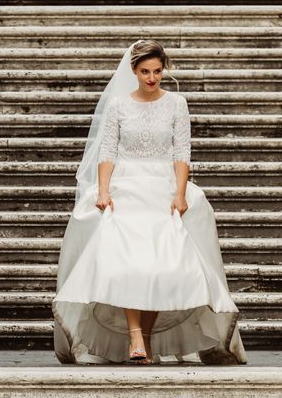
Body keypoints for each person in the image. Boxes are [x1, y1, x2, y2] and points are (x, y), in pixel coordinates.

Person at [52, 39, 247, 365]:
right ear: (134, 71)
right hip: (126, 188)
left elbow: (182, 151)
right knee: (130, 263)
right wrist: (103, 191)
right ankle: (136, 338)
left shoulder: (176, 103)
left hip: (164, 188)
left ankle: (144, 336)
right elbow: (108, 150)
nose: (152, 78)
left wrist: (180, 193)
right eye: (145, 71)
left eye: (157, 71)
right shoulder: (118, 106)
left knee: (161, 267)